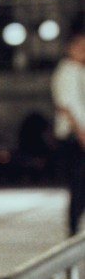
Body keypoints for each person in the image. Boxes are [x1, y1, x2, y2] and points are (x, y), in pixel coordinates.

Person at [50, 27, 85, 233]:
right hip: (74, 136)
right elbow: (65, 107)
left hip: (80, 133)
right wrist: (80, 134)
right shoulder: (66, 72)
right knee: (79, 185)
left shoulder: (78, 71)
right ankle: (73, 229)